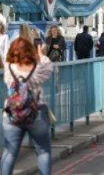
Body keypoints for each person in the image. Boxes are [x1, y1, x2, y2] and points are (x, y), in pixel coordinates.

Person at [2, 34, 54, 174]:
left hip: (11, 114)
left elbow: (6, 61)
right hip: (36, 111)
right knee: (43, 151)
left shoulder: (9, 68)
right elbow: (49, 68)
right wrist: (41, 54)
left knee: (10, 152)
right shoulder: (38, 69)